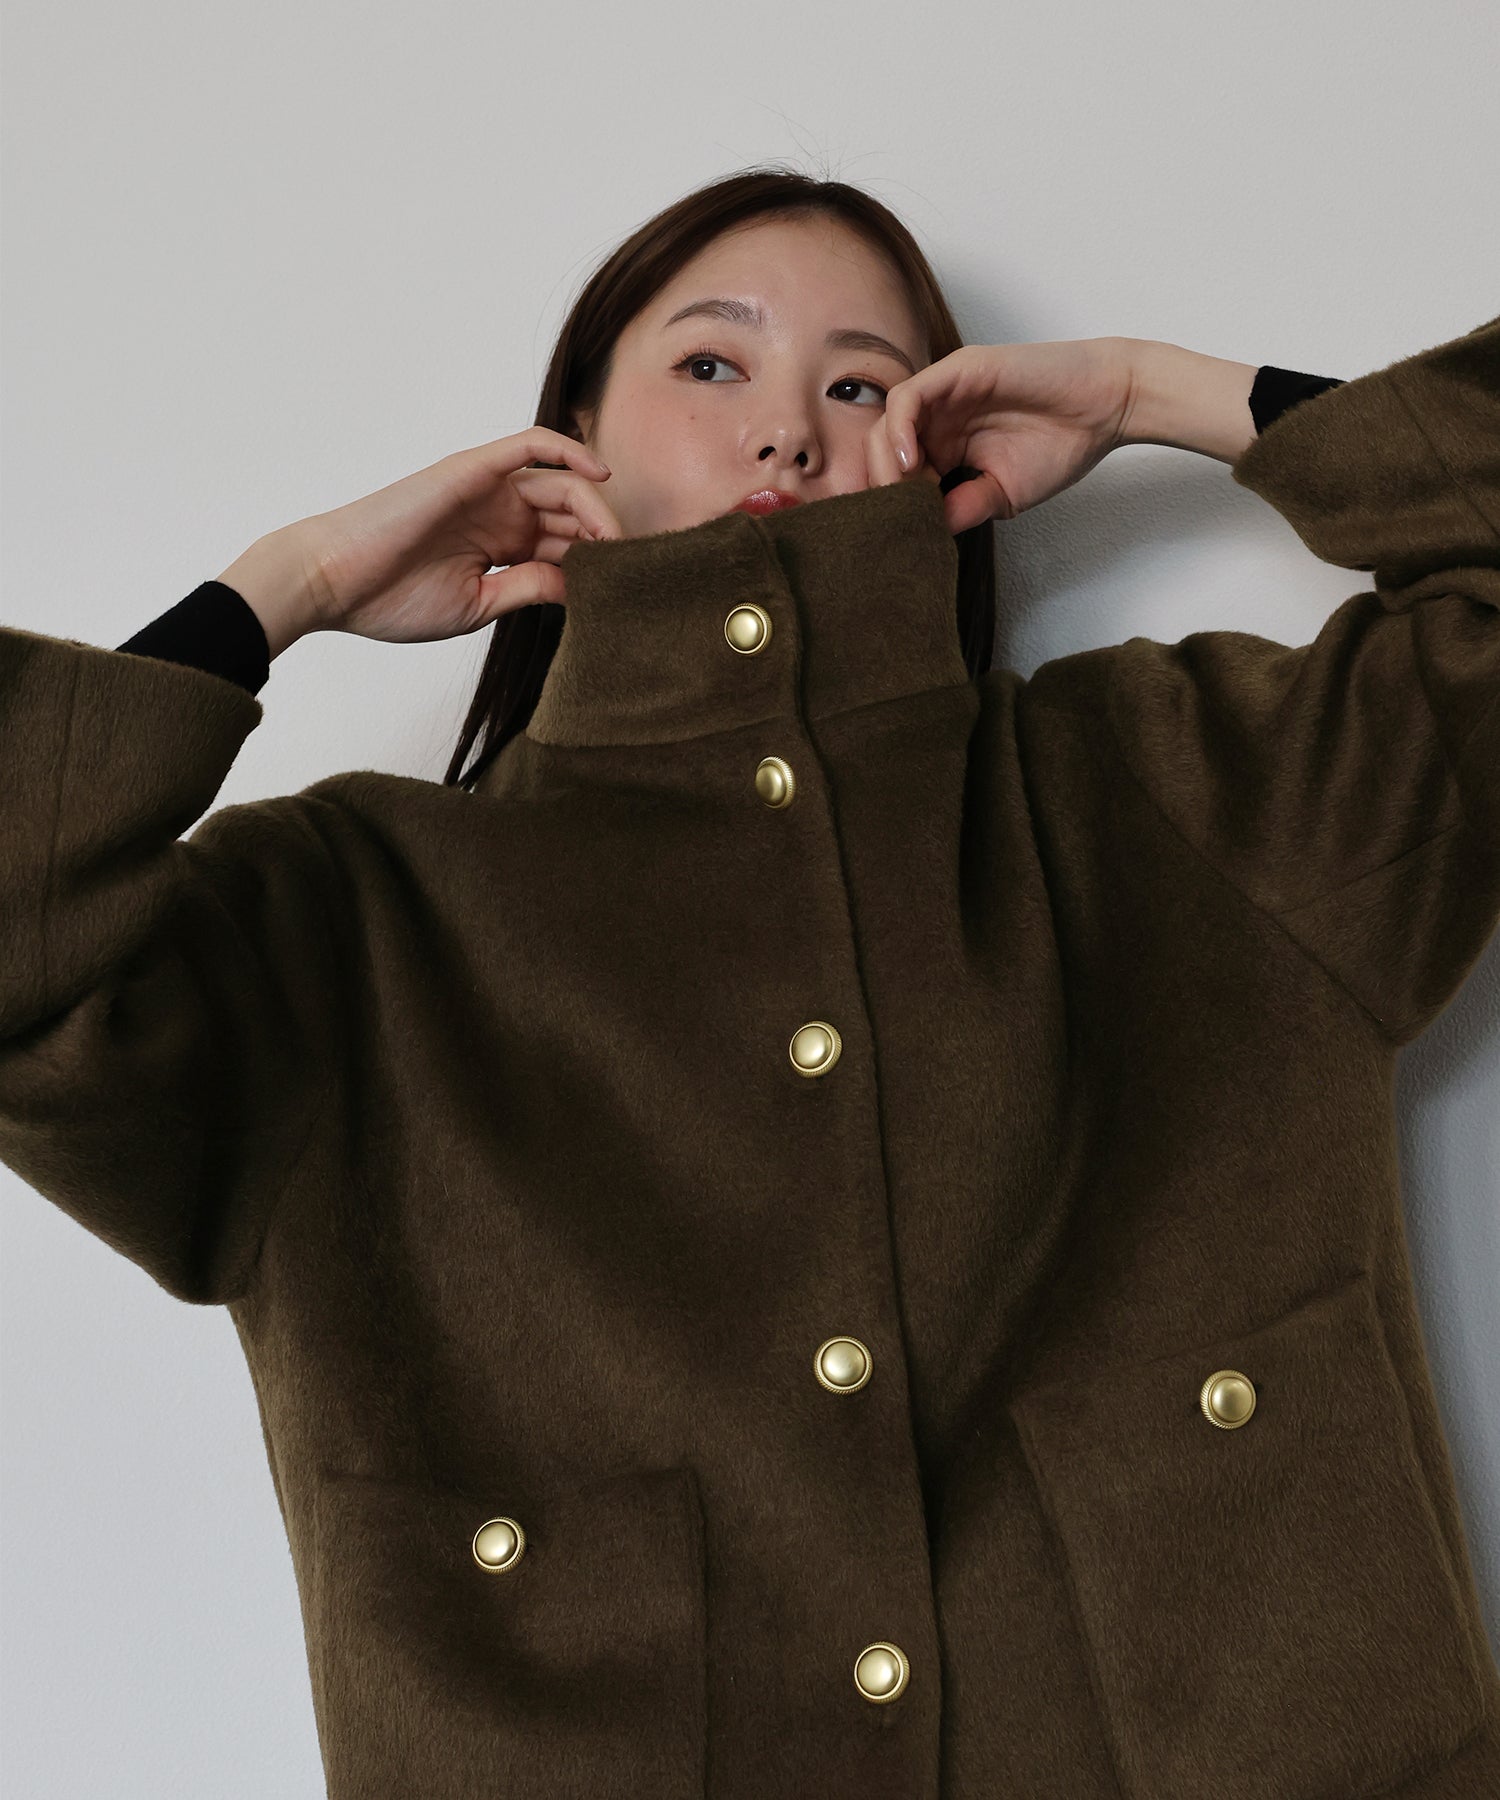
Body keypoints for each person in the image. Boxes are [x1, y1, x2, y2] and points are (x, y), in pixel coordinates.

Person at [3, 166, 1496, 1798]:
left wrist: (1157, 389)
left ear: (944, 454)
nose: (784, 431)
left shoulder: (1193, 798)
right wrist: (288, 585)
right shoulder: (351, 935)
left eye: (861, 386)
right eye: (712, 364)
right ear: (571, 435)